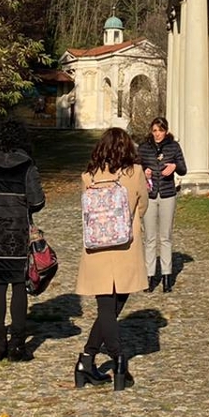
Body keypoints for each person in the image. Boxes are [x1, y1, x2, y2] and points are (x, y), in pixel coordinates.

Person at [73, 127, 147, 392]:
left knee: (107, 308)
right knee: (114, 305)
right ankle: (119, 359)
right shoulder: (134, 173)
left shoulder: (88, 176)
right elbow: (144, 204)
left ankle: (86, 359)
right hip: (125, 245)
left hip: (97, 247)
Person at [0, 120, 46, 361]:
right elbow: (37, 202)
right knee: (18, 285)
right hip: (16, 230)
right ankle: (17, 345)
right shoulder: (26, 165)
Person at [136, 117, 187, 293]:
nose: (157, 134)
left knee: (165, 237)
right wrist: (144, 172)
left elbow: (183, 169)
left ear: (166, 131)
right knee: (150, 238)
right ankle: (149, 276)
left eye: (160, 130)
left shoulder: (174, 146)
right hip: (149, 195)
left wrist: (174, 166)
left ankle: (167, 276)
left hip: (167, 194)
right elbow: (134, 169)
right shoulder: (144, 148)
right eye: (155, 130)